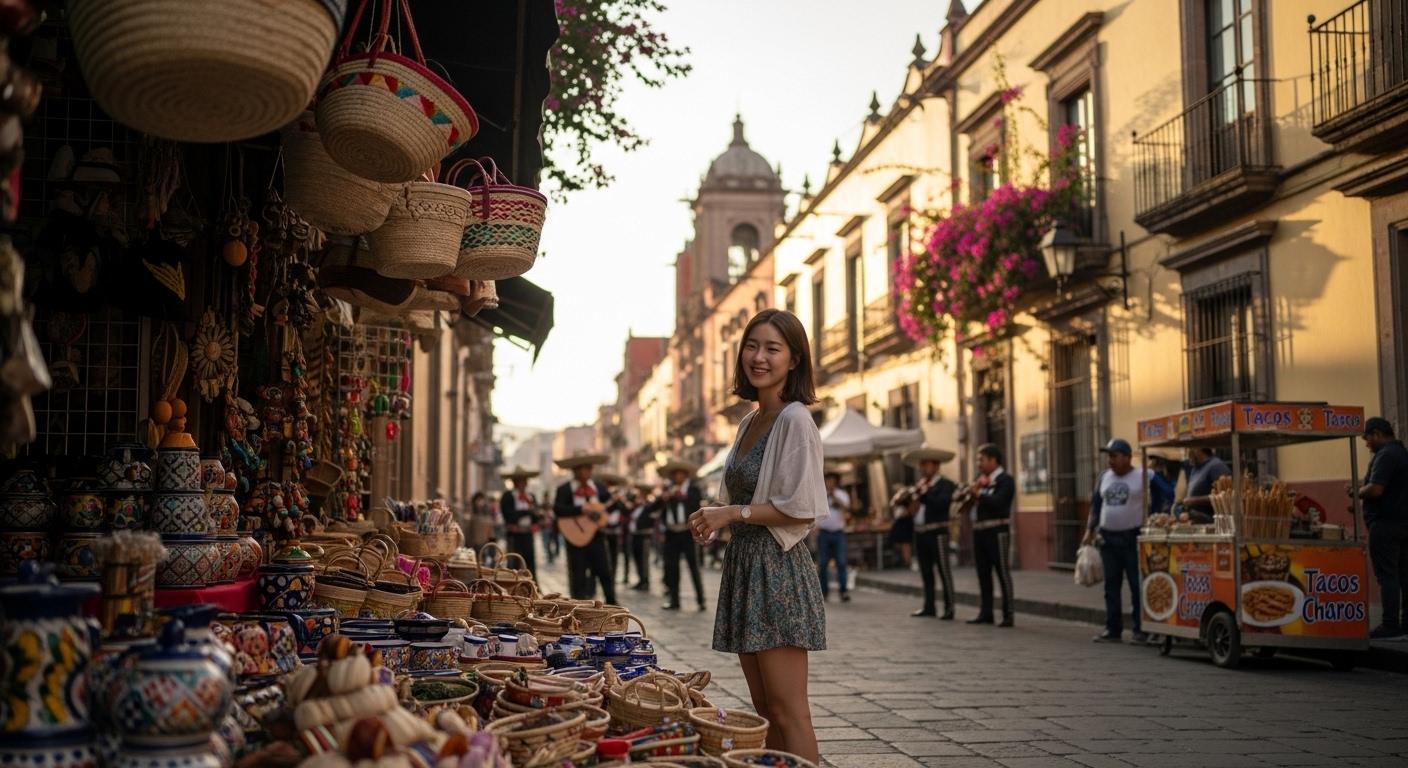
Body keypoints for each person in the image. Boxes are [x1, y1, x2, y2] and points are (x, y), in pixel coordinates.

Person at [688, 308, 824, 762]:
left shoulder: (795, 419)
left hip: (778, 570)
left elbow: (799, 506)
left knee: (790, 711)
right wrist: (716, 516)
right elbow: (744, 496)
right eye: (752, 345)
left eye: (772, 348)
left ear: (794, 359)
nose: (759, 357)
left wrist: (730, 512)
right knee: (765, 709)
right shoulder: (750, 421)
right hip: (748, 566)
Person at [1083, 438, 1174, 644]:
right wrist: (1089, 529)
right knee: (1111, 586)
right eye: (1109, 456)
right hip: (1108, 538)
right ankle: (1112, 629)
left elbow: (1167, 492)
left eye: (1114, 456)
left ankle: (1139, 629)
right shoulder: (1104, 477)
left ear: (1127, 457)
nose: (1110, 461)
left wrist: (1158, 515)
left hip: (1133, 538)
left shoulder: (1143, 475)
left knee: (1136, 584)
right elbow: (1096, 505)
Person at [1357, 417, 1408, 641]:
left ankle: (1389, 624)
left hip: (1386, 525)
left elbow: (1376, 489)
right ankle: (1405, 623)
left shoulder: (1386, 455)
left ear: (1377, 434)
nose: (1367, 444)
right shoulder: (1401, 453)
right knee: (1403, 574)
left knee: (1387, 575)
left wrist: (1358, 491)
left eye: (1367, 439)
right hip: (1403, 523)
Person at [551, 453, 617, 604]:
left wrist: (613, 504)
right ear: (574, 471)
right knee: (577, 574)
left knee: (604, 571)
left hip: (596, 536)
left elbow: (608, 508)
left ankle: (612, 603)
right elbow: (558, 509)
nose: (585, 472)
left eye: (588, 468)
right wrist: (581, 509)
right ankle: (578, 605)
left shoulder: (599, 488)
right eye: (581, 469)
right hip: (574, 537)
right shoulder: (565, 489)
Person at [902, 447, 957, 619]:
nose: (922, 468)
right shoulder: (919, 486)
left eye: (926, 465)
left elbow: (941, 504)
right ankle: (929, 606)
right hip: (921, 533)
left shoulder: (946, 485)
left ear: (936, 466)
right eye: (921, 465)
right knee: (926, 572)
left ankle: (949, 607)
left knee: (943, 570)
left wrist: (924, 494)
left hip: (938, 532)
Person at [965, 443, 1015, 627]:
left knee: (1002, 572)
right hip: (980, 531)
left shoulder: (1005, 480)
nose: (979, 464)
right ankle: (986, 612)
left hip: (997, 531)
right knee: (982, 573)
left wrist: (979, 495)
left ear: (993, 460)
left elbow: (999, 503)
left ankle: (1008, 613)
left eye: (982, 460)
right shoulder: (980, 480)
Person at [656, 459, 707, 611]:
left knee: (693, 566)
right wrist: (666, 496)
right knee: (671, 568)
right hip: (671, 532)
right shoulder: (667, 490)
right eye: (674, 475)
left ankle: (700, 600)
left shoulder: (693, 489)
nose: (677, 477)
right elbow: (658, 508)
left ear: (685, 475)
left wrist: (681, 495)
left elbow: (695, 504)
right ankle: (674, 600)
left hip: (687, 532)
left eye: (680, 474)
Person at [815, 467, 851, 603]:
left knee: (841, 562)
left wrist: (834, 496)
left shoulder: (841, 494)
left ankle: (843, 592)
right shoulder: (820, 494)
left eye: (832, 480)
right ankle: (824, 593)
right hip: (823, 533)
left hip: (838, 533)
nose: (830, 482)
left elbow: (847, 508)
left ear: (836, 482)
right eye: (827, 480)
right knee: (822, 563)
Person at [499, 466, 540, 578]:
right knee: (514, 562)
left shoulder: (531, 497)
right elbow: (509, 516)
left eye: (524, 480)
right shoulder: (508, 497)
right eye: (519, 481)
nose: (522, 483)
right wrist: (526, 512)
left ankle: (531, 585)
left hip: (527, 534)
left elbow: (535, 517)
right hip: (514, 535)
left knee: (529, 562)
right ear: (514, 482)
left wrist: (536, 515)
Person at [1179, 447, 1230, 523]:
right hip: (1195, 520)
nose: (1187, 454)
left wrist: (1194, 500)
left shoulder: (1216, 466)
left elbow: (1225, 496)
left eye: (1189, 450)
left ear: (1198, 450)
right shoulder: (1195, 468)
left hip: (1212, 521)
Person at [599, 473, 628, 586]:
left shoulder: (619, 498)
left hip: (615, 531)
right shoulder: (603, 496)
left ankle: (612, 577)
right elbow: (603, 510)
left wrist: (619, 501)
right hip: (604, 530)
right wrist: (612, 501)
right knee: (604, 558)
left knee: (614, 557)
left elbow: (625, 511)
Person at [628, 482, 656, 591]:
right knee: (636, 559)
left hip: (644, 536)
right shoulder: (636, 505)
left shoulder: (649, 505)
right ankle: (640, 580)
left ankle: (645, 581)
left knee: (643, 560)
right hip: (635, 535)